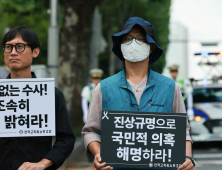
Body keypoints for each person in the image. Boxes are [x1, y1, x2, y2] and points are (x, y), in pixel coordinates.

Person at [82, 17, 194, 170]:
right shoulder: (104, 88)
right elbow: (91, 131)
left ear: (151, 47)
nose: (133, 43)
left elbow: (182, 131)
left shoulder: (170, 87)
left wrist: (187, 158)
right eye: (127, 39)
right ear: (121, 46)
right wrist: (99, 154)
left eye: (140, 39)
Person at [0, 26, 75, 170]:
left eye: (20, 47)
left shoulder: (51, 95)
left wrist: (44, 163)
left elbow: (66, 139)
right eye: (8, 47)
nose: (13, 52)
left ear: (35, 51)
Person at [81, 68, 103, 162]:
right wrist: (86, 114)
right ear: (91, 79)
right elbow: (84, 102)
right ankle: (91, 156)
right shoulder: (87, 89)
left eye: (98, 78)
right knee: (90, 135)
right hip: (91, 114)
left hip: (102, 114)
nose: (96, 80)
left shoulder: (103, 87)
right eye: (95, 78)